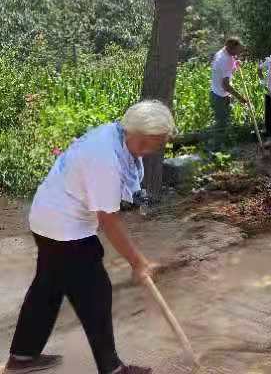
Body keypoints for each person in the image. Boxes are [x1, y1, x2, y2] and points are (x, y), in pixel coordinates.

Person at [5, 101, 176, 374]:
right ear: (140, 136)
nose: (154, 150)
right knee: (95, 292)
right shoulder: (104, 157)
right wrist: (138, 262)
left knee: (47, 289)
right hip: (63, 226)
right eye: (153, 143)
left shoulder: (116, 133)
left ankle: (22, 358)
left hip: (50, 216)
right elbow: (108, 220)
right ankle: (112, 369)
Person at [210, 37, 249, 149]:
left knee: (224, 122)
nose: (239, 52)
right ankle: (217, 150)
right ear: (231, 48)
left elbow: (223, 68)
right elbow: (226, 85)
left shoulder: (222, 52)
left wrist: (235, 64)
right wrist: (241, 98)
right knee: (221, 125)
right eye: (237, 50)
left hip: (217, 92)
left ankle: (222, 147)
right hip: (219, 96)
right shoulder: (226, 60)